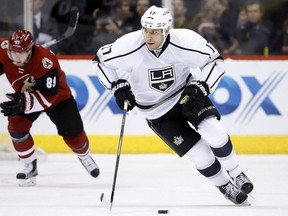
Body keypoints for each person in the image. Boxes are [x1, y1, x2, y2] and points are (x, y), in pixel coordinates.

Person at [93, 5, 254, 205]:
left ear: (167, 29)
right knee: (199, 154)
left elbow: (215, 61)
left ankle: (237, 173)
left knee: (216, 132)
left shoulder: (186, 40)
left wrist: (202, 86)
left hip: (187, 95)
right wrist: (116, 86)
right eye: (146, 30)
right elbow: (100, 62)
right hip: (156, 112)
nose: (148, 36)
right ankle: (224, 185)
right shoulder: (128, 45)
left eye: (154, 31)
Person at [0, 29, 100, 186]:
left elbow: (49, 97)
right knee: (16, 126)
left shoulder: (46, 61)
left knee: (74, 137)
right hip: (25, 95)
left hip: (58, 99)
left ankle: (84, 156)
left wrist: (23, 102)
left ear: (30, 50)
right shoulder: (4, 48)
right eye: (13, 53)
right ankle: (29, 166)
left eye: (21, 54)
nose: (16, 58)